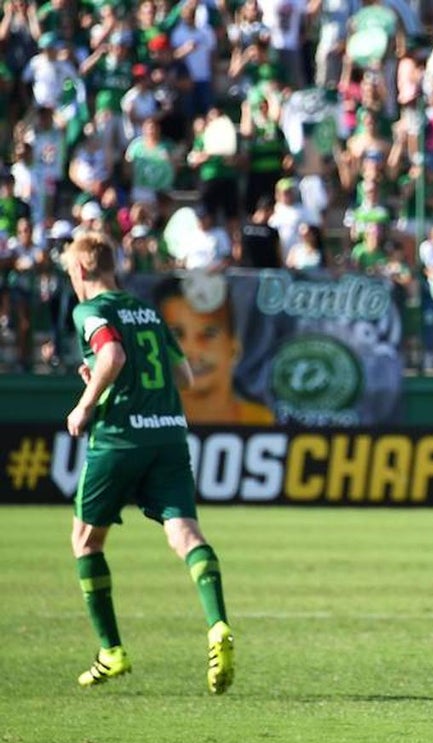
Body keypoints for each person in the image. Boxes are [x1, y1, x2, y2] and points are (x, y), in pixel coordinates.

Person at [61, 232, 235, 693]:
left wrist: (86, 402)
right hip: (169, 434)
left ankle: (112, 651)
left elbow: (113, 354)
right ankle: (217, 624)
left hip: (121, 438)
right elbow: (184, 375)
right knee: (185, 533)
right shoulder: (146, 311)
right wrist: (107, 376)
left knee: (86, 540)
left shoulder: (89, 311)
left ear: (80, 270)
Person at [154, 276, 275, 426]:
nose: (194, 351)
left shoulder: (264, 422)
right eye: (177, 335)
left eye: (209, 334)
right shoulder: (142, 426)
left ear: (234, 347)